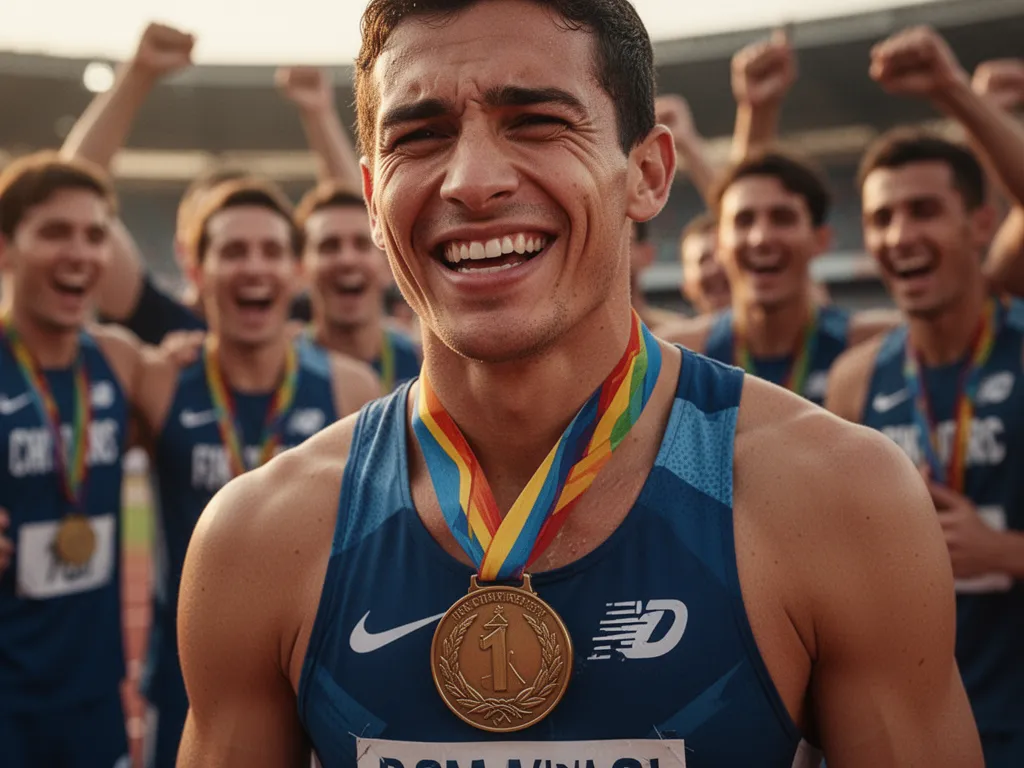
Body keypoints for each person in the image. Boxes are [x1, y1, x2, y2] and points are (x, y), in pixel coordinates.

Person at [176, 2, 981, 766]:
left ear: (647, 174)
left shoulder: (838, 498)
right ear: (372, 200)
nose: (472, 180)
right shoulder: (260, 538)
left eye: (537, 122)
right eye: (419, 137)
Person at [129, 177, 381, 768]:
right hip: (187, 671)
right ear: (196, 271)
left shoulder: (350, 385)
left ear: (296, 273)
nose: (254, 268)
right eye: (233, 252)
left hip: (315, 664)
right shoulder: (159, 379)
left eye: (271, 251)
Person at [826, 26, 1024, 768]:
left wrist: (1006, 551)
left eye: (923, 211)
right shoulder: (856, 377)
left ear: (981, 223)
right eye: (880, 217)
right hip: (912, 728)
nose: (899, 234)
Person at [0, 152, 149, 767]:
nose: (80, 252)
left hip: (92, 697)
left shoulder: (119, 360)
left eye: (94, 235)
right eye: (55, 232)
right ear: (6, 247)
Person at [662, 150, 896, 405]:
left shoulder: (874, 346)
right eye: (744, 220)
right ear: (719, 244)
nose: (761, 238)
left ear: (821, 240)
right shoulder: (675, 356)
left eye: (782, 218)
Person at [296, 182, 422, 391]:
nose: (347, 259)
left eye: (362, 244)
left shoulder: (425, 364)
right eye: (329, 246)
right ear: (300, 268)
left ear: (388, 265)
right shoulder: (282, 372)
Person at [679, 212, 730, 315]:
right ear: (685, 287)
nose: (715, 269)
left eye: (723, 256)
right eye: (703, 260)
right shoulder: (661, 331)